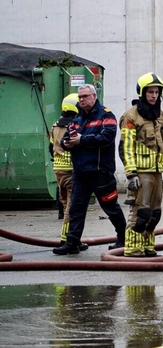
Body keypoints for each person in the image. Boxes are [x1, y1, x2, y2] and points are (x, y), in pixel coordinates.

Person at [52, 84, 127, 255]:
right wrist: (67, 143)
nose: (82, 100)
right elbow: (65, 140)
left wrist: (81, 140)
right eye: (80, 97)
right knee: (76, 209)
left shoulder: (106, 115)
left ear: (94, 96)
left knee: (110, 207)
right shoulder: (77, 119)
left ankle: (123, 238)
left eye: (85, 96)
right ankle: (72, 242)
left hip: (100, 172)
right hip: (80, 173)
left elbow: (107, 137)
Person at [121, 73, 163, 257]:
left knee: (154, 213)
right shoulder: (130, 116)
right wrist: (131, 174)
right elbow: (126, 147)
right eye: (150, 92)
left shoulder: (161, 116)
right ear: (142, 93)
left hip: (157, 171)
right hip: (140, 172)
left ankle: (148, 246)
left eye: (156, 92)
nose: (154, 96)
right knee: (140, 212)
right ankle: (133, 248)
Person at [49, 94, 89, 251]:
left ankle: (74, 239)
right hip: (71, 170)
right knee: (72, 207)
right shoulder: (74, 125)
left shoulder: (55, 126)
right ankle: (67, 239)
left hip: (58, 169)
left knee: (66, 203)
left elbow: (51, 148)